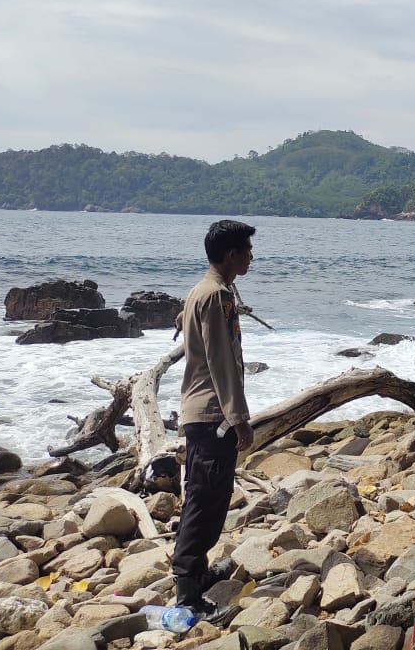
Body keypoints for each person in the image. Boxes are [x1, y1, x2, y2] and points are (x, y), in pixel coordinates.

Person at [171, 220, 257, 620]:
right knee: (204, 502)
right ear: (230, 255)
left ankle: (199, 574)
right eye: (247, 250)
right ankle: (187, 594)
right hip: (211, 414)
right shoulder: (216, 296)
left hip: (203, 411)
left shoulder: (201, 291)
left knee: (211, 497)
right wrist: (239, 418)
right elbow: (222, 362)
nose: (251, 257)